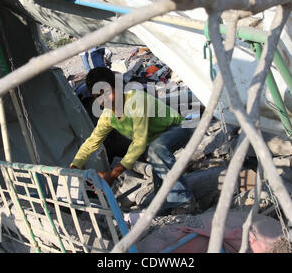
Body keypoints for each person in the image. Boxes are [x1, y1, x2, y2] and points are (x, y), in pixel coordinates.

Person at [69, 67, 197, 214]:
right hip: (156, 142)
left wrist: (112, 174)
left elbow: (139, 142)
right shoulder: (107, 116)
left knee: (155, 150)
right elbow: (92, 142)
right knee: (156, 164)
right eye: (99, 96)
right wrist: (75, 166)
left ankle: (185, 201)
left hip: (179, 127)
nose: (105, 100)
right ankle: (165, 205)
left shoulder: (136, 100)